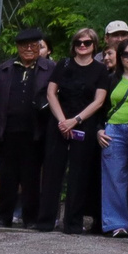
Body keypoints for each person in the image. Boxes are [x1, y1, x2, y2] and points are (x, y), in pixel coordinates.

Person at [43, 27, 108, 235]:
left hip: (84, 123)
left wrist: (76, 120)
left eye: (87, 43)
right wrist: (63, 121)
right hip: (59, 120)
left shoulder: (100, 70)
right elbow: (51, 93)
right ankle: (46, 219)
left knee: (78, 175)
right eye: (79, 42)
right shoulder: (63, 64)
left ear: (94, 45)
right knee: (53, 171)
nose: (82, 46)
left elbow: (99, 101)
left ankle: (72, 222)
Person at [0, 28, 53, 228]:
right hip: (8, 129)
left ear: (39, 47)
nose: (28, 49)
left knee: (32, 176)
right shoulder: (5, 68)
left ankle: (31, 218)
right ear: (17, 47)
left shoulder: (50, 68)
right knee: (7, 175)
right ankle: (3, 216)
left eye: (33, 45)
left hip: (36, 131)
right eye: (24, 45)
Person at [97, 39, 128, 236]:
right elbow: (101, 107)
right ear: (120, 57)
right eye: (126, 54)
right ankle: (116, 224)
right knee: (114, 178)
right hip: (113, 131)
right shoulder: (111, 78)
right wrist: (99, 129)